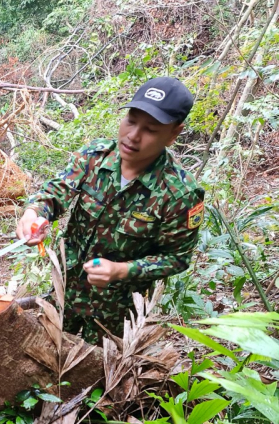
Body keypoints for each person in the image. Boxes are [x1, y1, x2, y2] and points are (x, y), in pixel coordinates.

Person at [16, 77, 204, 344]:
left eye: (150, 129)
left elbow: (176, 258)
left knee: (98, 375)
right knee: (45, 352)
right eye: (131, 120)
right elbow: (54, 193)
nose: (133, 135)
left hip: (117, 309)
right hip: (66, 289)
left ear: (174, 133)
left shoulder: (180, 194)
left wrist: (121, 270)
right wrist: (34, 213)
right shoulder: (95, 157)